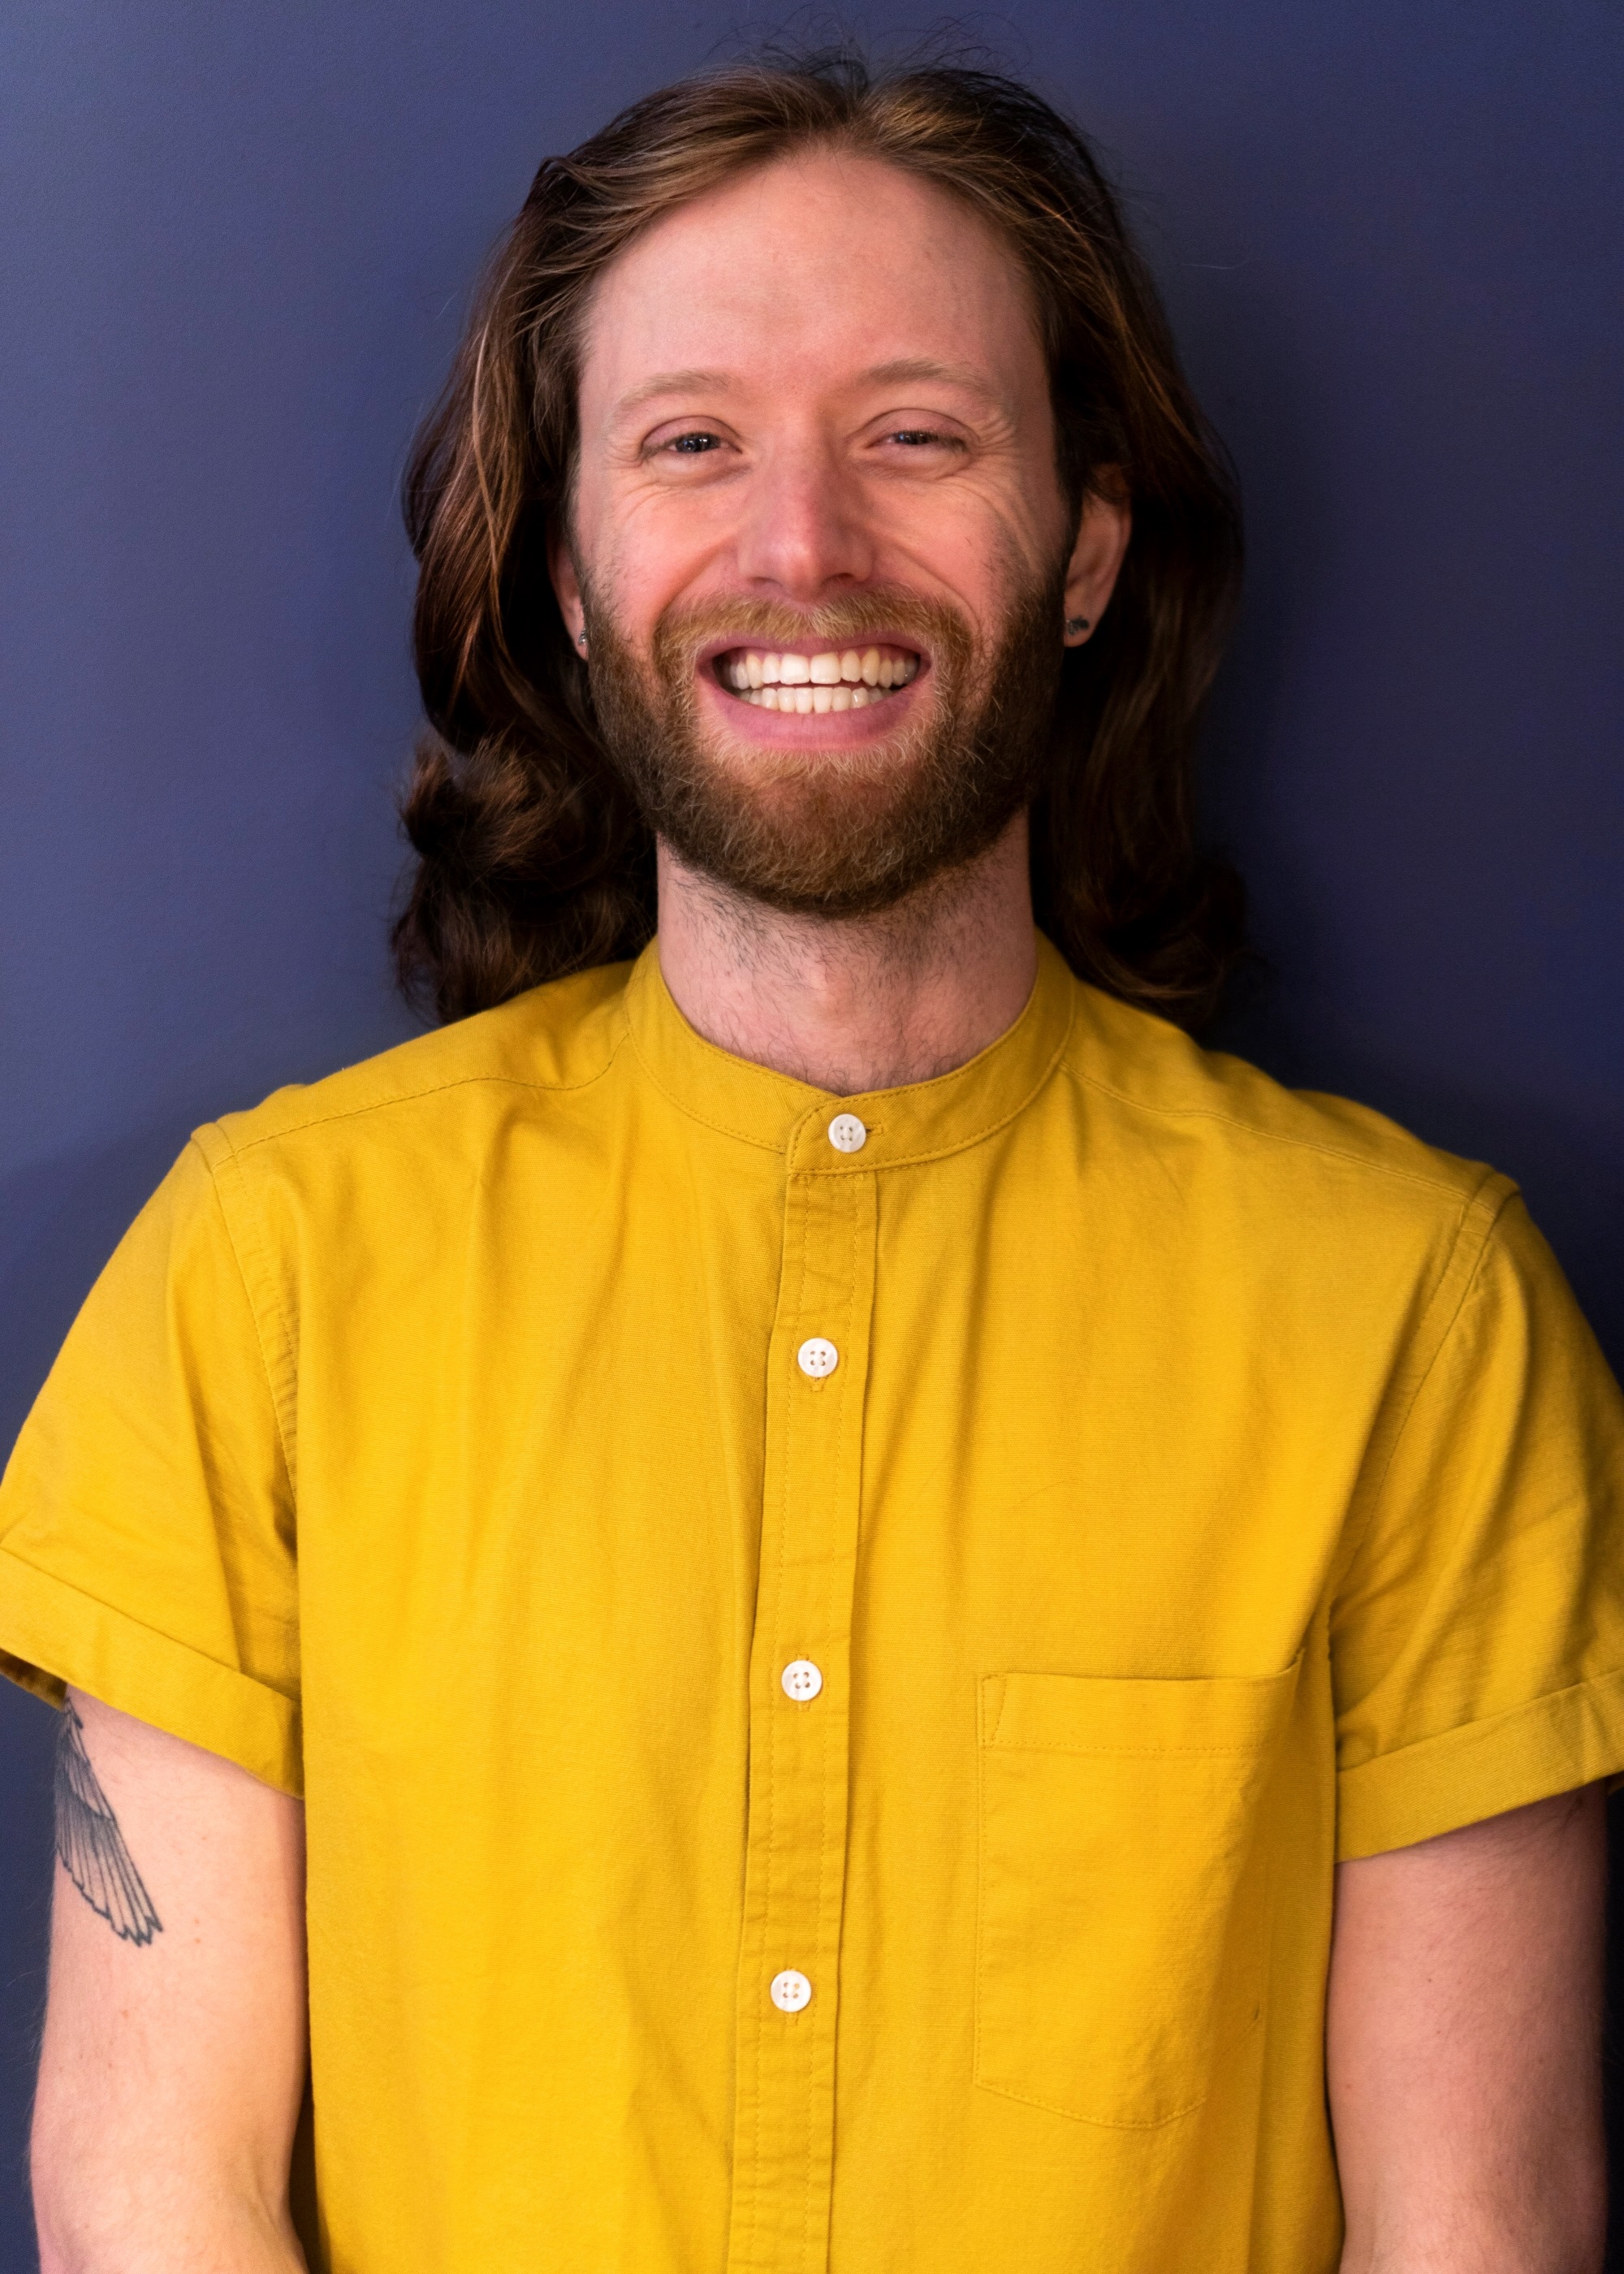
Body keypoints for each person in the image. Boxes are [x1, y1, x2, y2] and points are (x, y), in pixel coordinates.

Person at [4, 50, 1620, 2274]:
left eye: (918, 436)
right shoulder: (266, 1276)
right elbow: (143, 2199)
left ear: (1087, 546)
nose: (803, 547)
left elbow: (1482, 2231)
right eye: (691, 443)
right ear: (572, 573)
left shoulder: (1416, 1312)